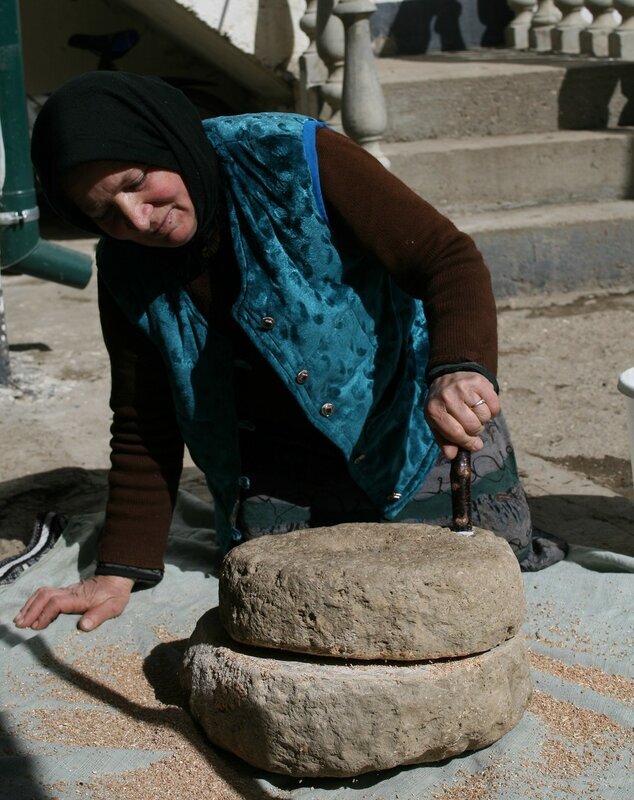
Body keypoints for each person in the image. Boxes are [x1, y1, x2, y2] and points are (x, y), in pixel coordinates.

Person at [14, 72, 566, 633]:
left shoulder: (290, 156)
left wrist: (459, 370)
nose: (136, 218)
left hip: (410, 435)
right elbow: (143, 418)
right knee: (303, 611)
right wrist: (119, 569)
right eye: (104, 213)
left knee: (480, 576)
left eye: (137, 181)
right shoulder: (126, 267)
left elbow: (447, 259)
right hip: (275, 473)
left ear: (169, 142)